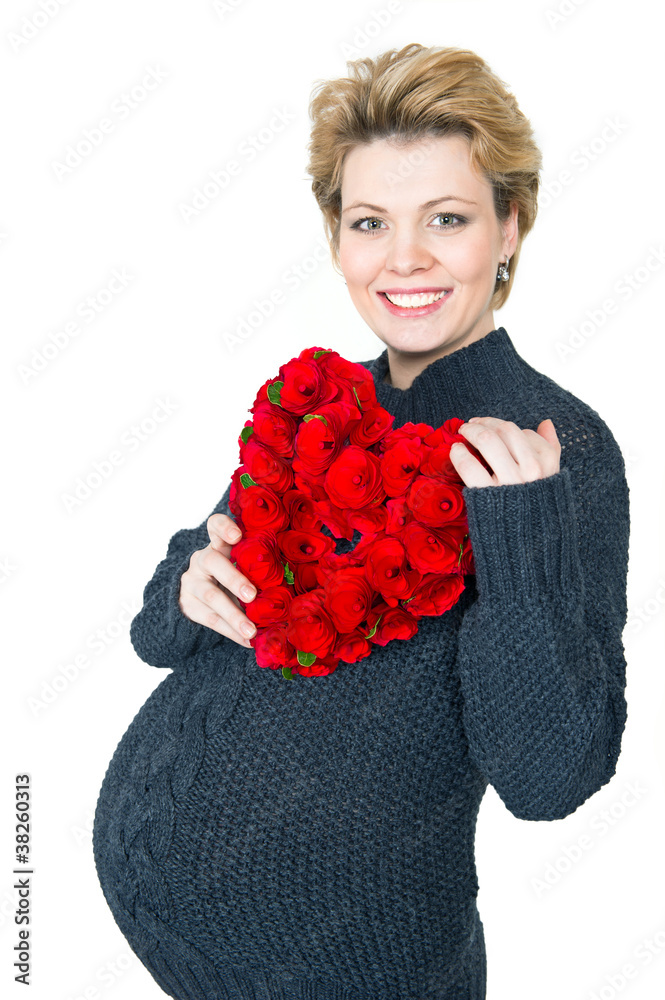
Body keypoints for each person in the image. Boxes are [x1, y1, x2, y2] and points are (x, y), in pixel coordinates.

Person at [92, 43, 630, 999]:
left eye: (447, 219)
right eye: (370, 221)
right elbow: (152, 633)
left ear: (510, 225)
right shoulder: (324, 405)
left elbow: (549, 778)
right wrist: (187, 584)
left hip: (368, 971)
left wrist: (520, 535)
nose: (403, 258)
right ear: (336, 236)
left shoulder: (555, 450)